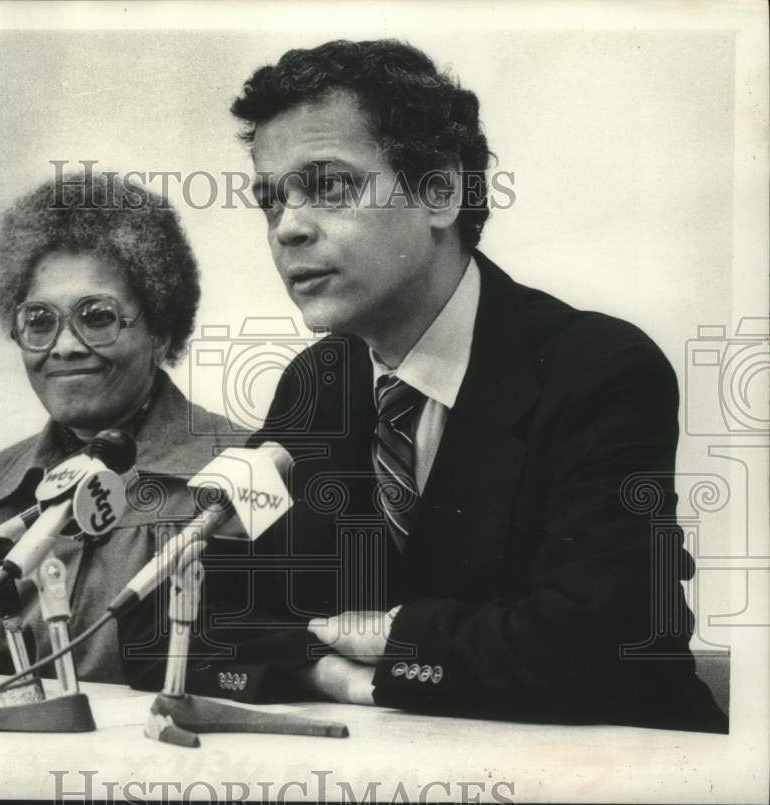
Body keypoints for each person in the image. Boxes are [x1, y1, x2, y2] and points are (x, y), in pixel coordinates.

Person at [185, 39, 727, 732]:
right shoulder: (316, 385)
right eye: (271, 200)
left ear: (440, 192)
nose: (288, 227)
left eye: (329, 185)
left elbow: (600, 640)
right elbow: (209, 621)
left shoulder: (601, 369)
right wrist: (345, 679)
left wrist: (393, 643)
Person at [0, 172, 238, 685]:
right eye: (39, 321)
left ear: (160, 330)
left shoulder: (241, 471)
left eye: (96, 316)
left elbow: (275, 670)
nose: (64, 346)